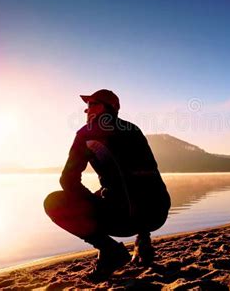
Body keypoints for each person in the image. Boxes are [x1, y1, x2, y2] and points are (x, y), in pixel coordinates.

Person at [44, 89, 171, 281]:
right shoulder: (133, 129)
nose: (86, 111)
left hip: (125, 218)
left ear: (107, 108)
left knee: (53, 201)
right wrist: (143, 234)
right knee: (114, 191)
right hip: (157, 214)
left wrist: (90, 201)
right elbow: (146, 179)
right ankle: (139, 241)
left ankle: (109, 250)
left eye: (91, 105)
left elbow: (67, 180)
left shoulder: (87, 133)